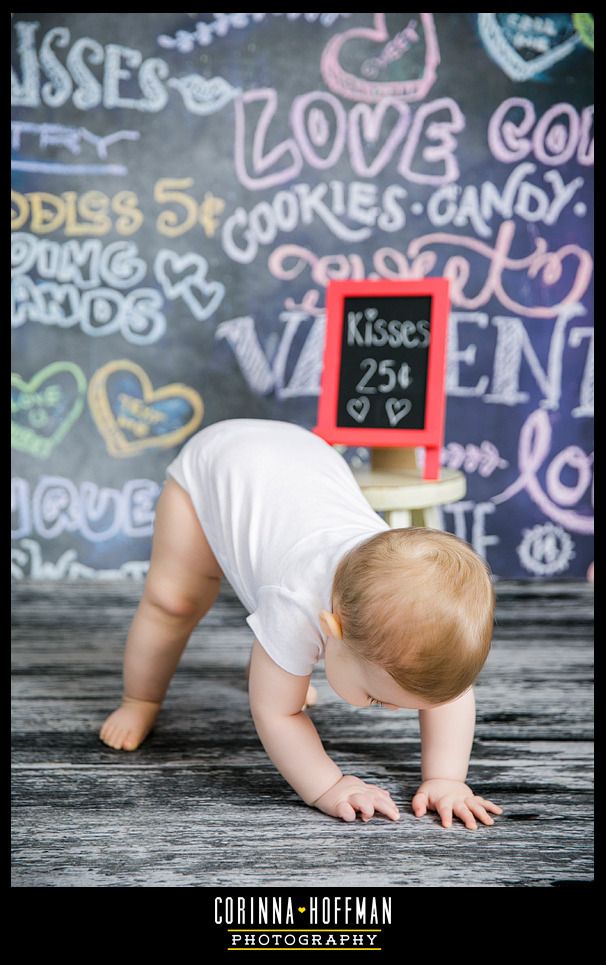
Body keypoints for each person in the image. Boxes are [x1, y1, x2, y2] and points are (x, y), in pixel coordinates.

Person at [99, 418, 503, 830]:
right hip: (216, 467)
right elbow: (277, 714)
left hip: (301, 458)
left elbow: (449, 695)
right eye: (376, 699)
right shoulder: (295, 604)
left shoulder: (396, 586)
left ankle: (275, 665)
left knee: (281, 658)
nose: (396, 711)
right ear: (331, 630)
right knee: (175, 602)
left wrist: (447, 779)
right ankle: (140, 699)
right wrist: (328, 786)